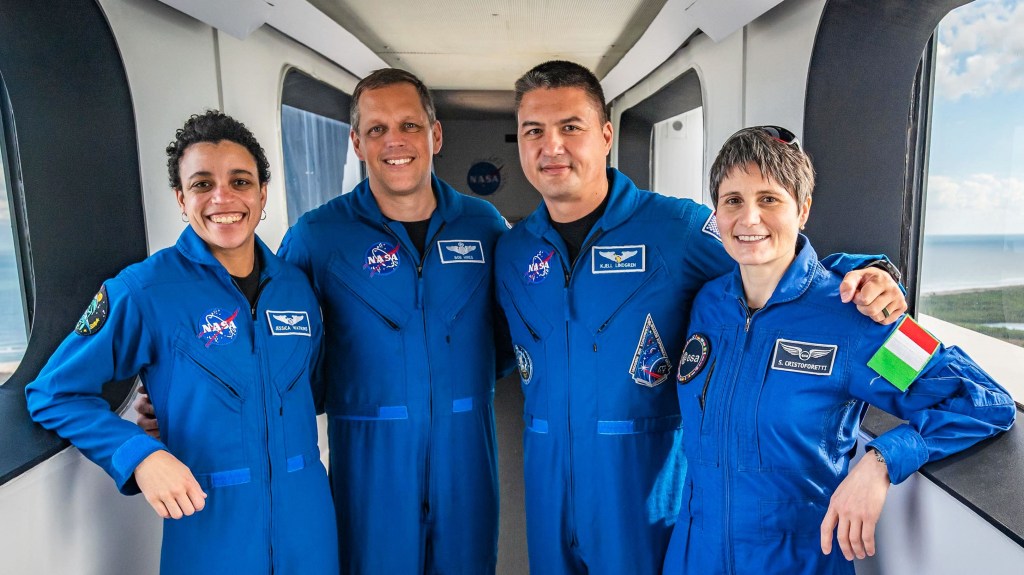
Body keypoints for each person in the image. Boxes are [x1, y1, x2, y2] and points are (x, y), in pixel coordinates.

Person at [493, 61, 909, 575]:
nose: (551, 146)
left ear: (604, 136)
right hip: (547, 485)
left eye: (570, 128)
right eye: (534, 130)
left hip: (645, 493)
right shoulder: (511, 251)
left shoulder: (678, 229)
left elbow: (776, 269)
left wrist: (866, 274)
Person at [662, 126, 1015, 575]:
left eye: (769, 199)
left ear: (803, 209)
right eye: (733, 200)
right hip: (694, 554)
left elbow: (982, 400)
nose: (749, 219)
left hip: (796, 560)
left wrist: (882, 460)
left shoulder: (858, 318)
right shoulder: (707, 303)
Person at [25, 111, 338, 574]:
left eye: (240, 181)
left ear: (262, 193)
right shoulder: (143, 290)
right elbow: (53, 393)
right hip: (210, 525)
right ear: (180, 198)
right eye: (201, 184)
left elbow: (311, 389)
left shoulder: (297, 288)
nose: (222, 198)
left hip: (309, 521)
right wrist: (141, 454)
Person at [278, 69, 511, 574]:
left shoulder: (485, 226)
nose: (394, 142)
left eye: (408, 125)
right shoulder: (318, 236)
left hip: (466, 449)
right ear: (356, 144)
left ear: (436, 134)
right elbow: (270, 338)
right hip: (368, 457)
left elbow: (516, 334)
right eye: (377, 129)